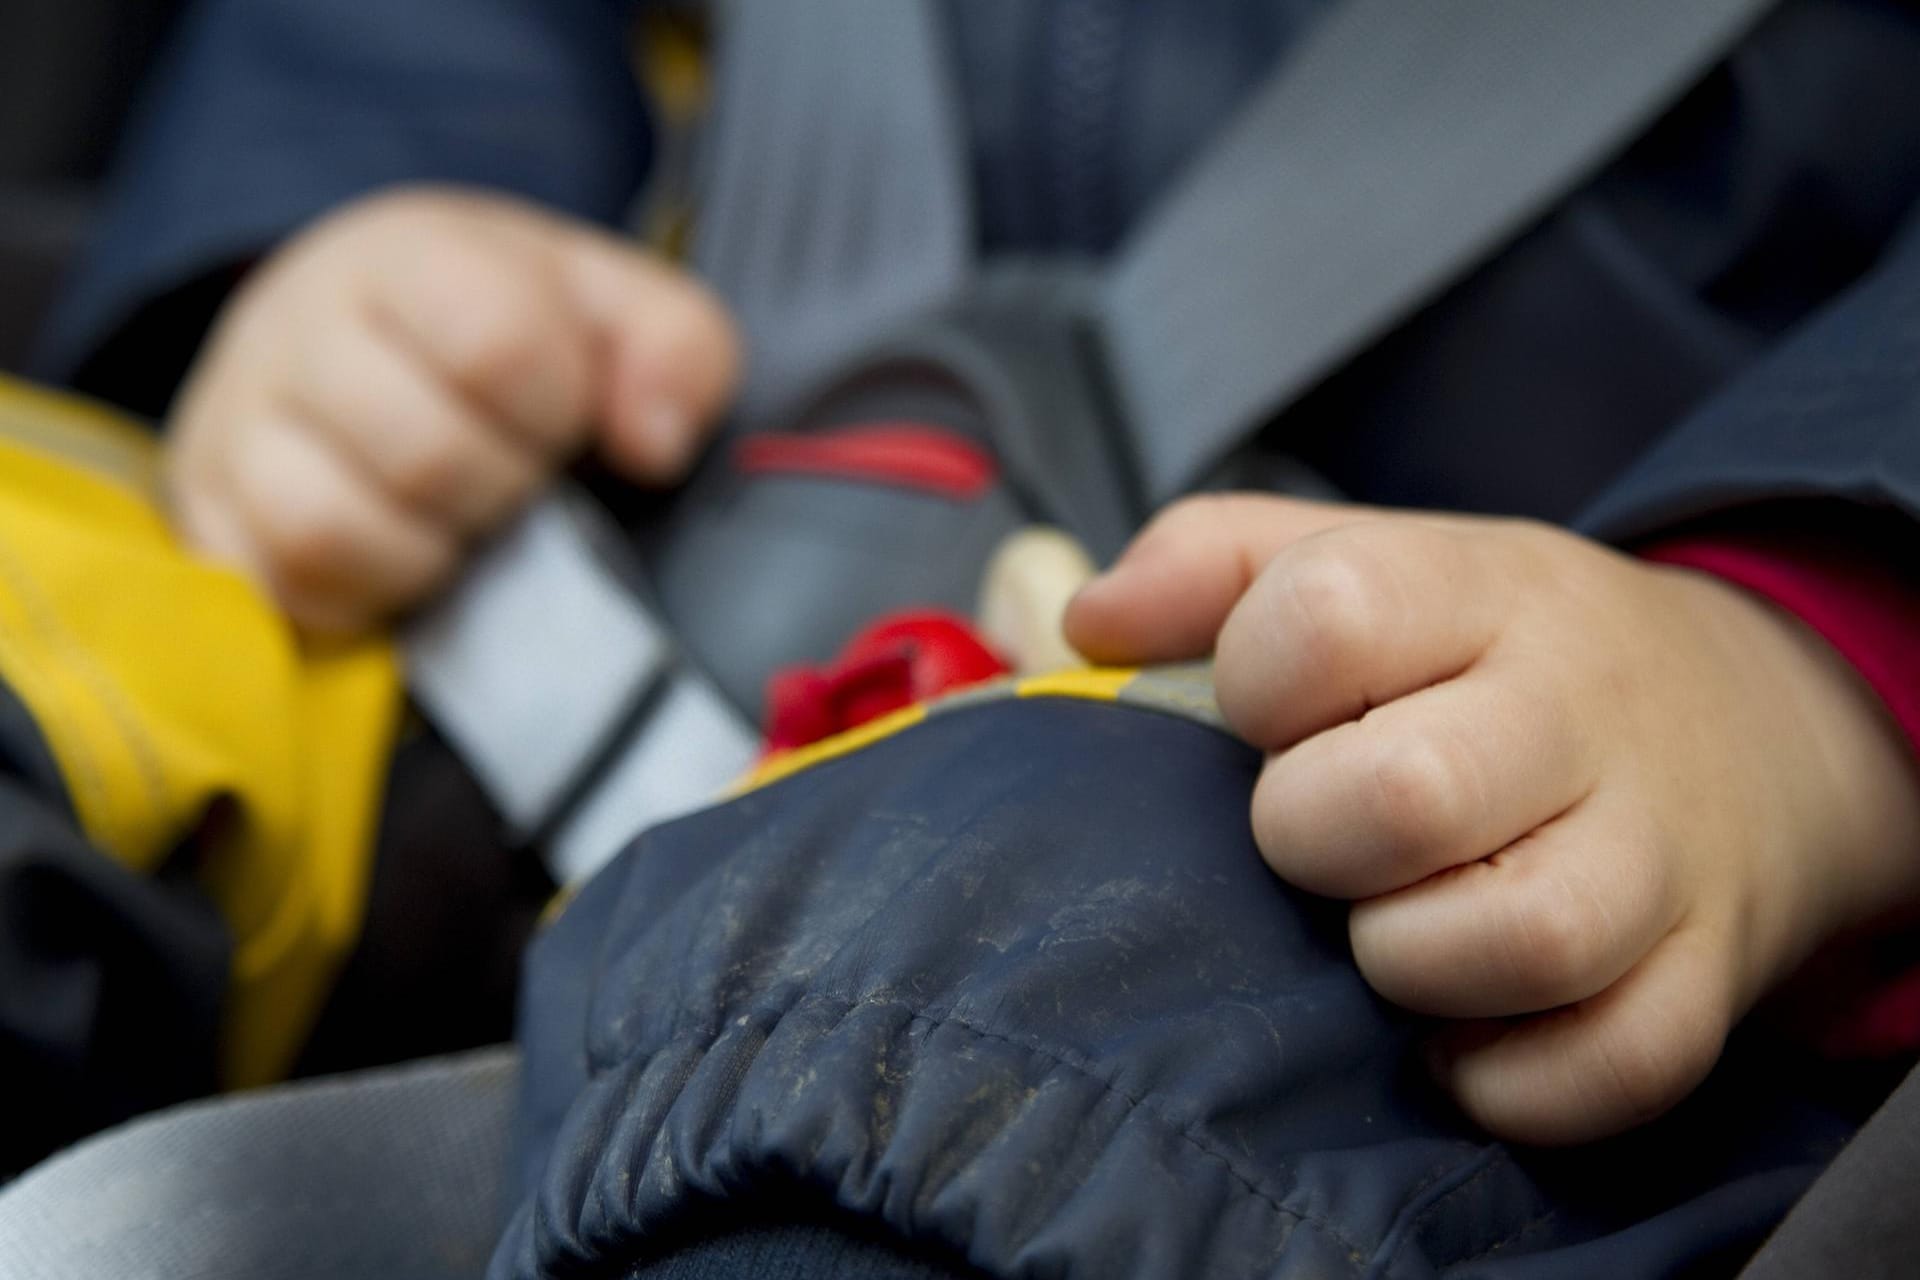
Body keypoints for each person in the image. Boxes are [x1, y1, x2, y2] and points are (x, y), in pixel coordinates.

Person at [7, 0, 1920, 1269]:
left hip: (1495, 746)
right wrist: (341, 234)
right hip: (591, 502)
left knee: (1028, 1048)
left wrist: (1814, 675)